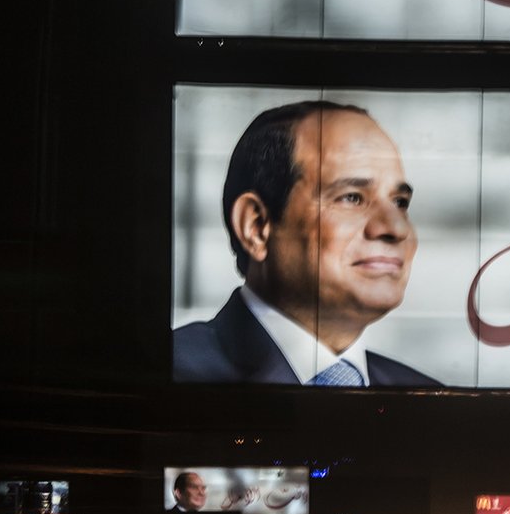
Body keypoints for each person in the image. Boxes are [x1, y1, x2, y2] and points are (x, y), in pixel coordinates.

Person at [173, 101, 440, 386]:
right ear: (256, 226)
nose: (397, 228)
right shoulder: (172, 375)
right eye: (352, 197)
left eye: (400, 202)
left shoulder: (430, 396)